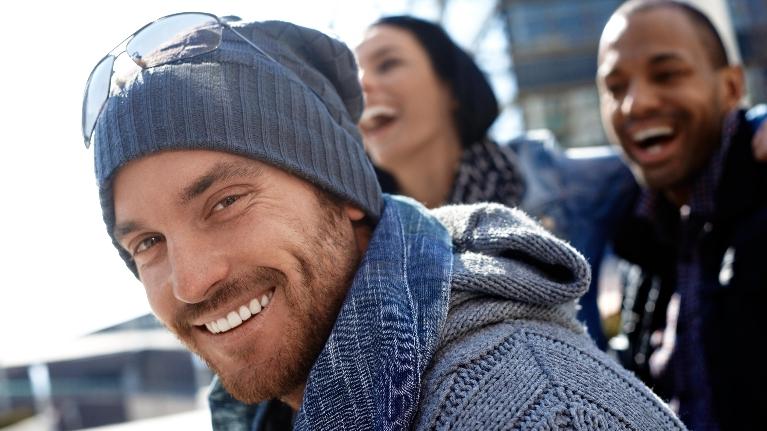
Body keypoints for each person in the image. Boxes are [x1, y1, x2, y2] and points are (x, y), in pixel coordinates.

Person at [82, 13, 687, 430]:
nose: (191, 282)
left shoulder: (532, 409)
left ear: (343, 191)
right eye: (148, 242)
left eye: (225, 202)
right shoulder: (277, 410)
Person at [355, 15, 635, 350]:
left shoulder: (554, 180)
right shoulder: (365, 234)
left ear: (451, 88)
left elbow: (654, 169)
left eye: (387, 64)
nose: (362, 84)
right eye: (353, 75)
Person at [596, 1, 767, 429]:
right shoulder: (637, 234)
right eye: (615, 87)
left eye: (667, 75)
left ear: (731, 87)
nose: (635, 104)